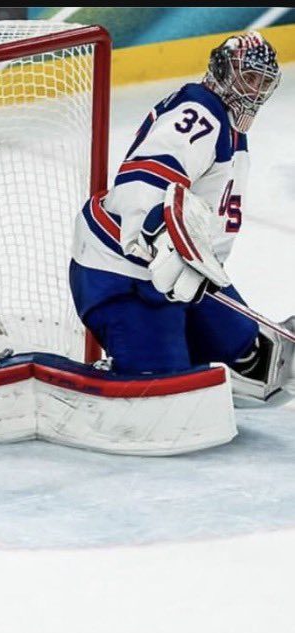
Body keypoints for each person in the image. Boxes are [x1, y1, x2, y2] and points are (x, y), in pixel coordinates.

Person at [69, 30, 293, 403]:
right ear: (222, 70)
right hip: (125, 273)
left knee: (251, 359)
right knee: (161, 391)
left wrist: (192, 262)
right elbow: (147, 177)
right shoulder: (199, 111)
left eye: (263, 83)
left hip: (186, 275)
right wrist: (159, 243)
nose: (255, 92)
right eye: (248, 78)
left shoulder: (230, 124)